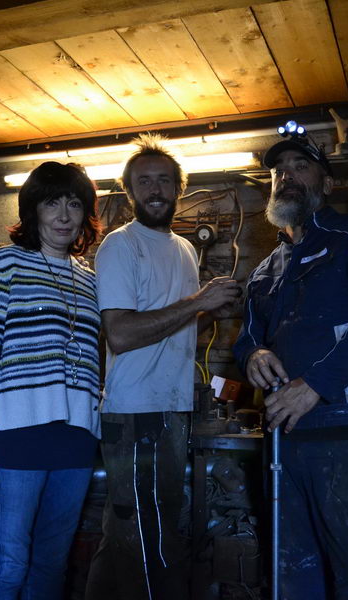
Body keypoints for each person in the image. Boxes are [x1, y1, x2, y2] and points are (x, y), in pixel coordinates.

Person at [233, 129, 348, 599]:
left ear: (327, 184)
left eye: (300, 166)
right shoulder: (265, 270)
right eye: (278, 171)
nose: (286, 176)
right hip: (285, 443)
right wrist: (253, 353)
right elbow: (247, 336)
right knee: (294, 577)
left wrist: (314, 384)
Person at [85, 134, 242, 600]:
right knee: (148, 536)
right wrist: (198, 301)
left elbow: (177, 331)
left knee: (124, 535)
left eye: (164, 180)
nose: (155, 189)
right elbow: (121, 334)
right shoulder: (120, 246)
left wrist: (211, 311)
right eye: (144, 181)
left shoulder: (185, 250)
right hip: (136, 413)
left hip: (171, 409)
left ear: (179, 188)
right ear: (130, 191)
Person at [0, 161, 102, 599]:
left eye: (74, 204)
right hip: (16, 439)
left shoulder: (91, 279)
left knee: (51, 568)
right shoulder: (7, 263)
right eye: (52, 202)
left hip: (77, 442)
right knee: (6, 568)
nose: (64, 215)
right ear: (33, 209)